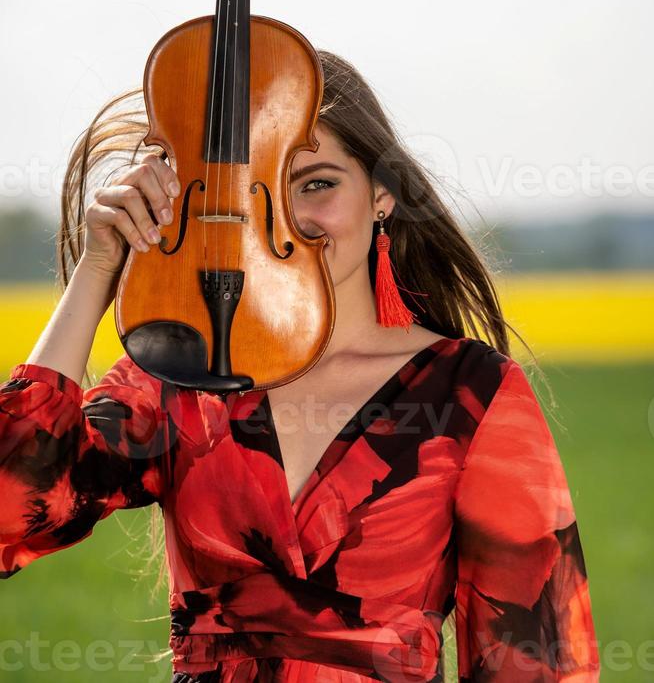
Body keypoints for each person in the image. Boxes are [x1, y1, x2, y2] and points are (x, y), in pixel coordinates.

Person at [0, 50, 600, 682]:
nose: (280, 219)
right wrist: (99, 271)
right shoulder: (181, 375)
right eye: (251, 192)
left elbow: (537, 661)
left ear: (383, 195)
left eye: (316, 183)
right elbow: (11, 508)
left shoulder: (471, 391)